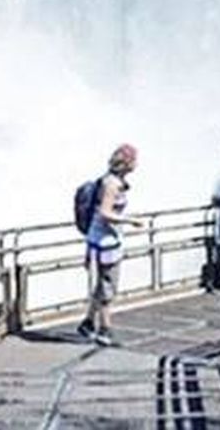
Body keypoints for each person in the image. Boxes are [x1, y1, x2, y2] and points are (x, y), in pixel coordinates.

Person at [79, 144, 143, 346]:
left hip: (101, 240)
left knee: (102, 283)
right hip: (105, 243)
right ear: (126, 163)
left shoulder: (111, 180)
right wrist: (130, 220)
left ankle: (88, 323)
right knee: (108, 286)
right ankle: (105, 330)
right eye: (134, 160)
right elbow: (105, 213)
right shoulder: (112, 184)